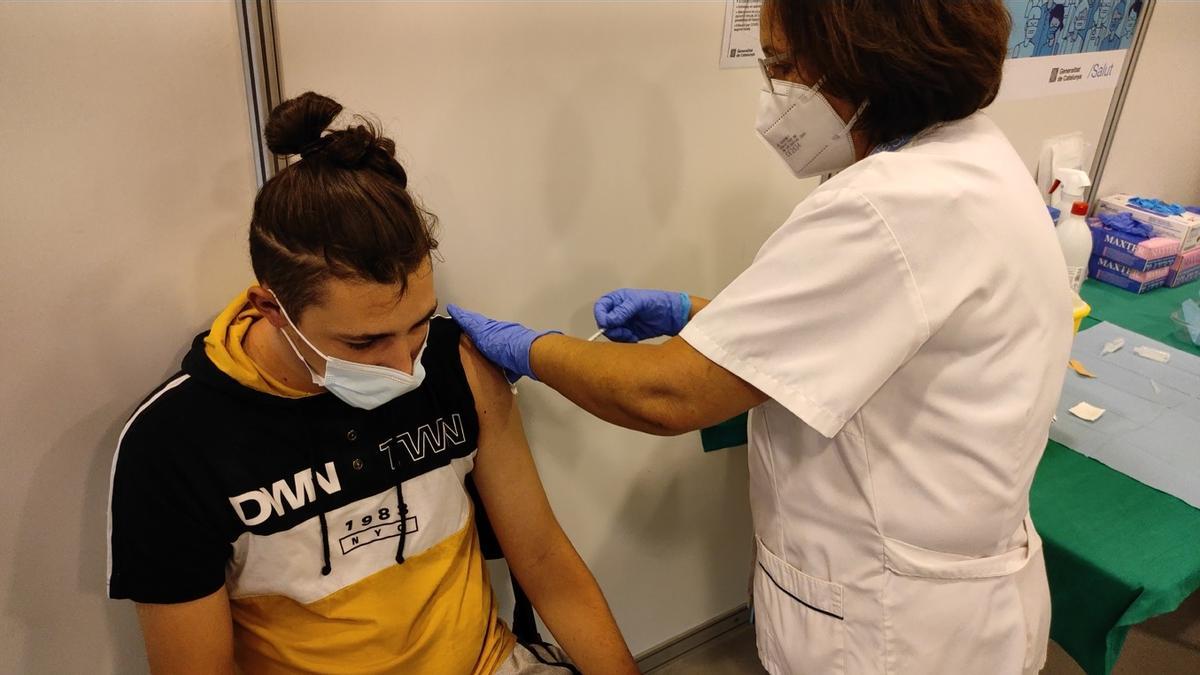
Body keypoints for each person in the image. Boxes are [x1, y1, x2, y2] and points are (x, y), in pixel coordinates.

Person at [449, 1, 1072, 673]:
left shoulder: (887, 209)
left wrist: (527, 347)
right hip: (960, 605)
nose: (773, 91)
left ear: (864, 62)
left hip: (893, 630)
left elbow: (665, 394)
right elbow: (880, 328)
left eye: (781, 64)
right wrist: (696, 313)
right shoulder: (972, 158)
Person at [106, 92, 638, 675]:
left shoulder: (453, 363)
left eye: (417, 324)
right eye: (363, 343)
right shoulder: (173, 446)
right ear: (272, 307)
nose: (404, 367)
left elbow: (543, 560)